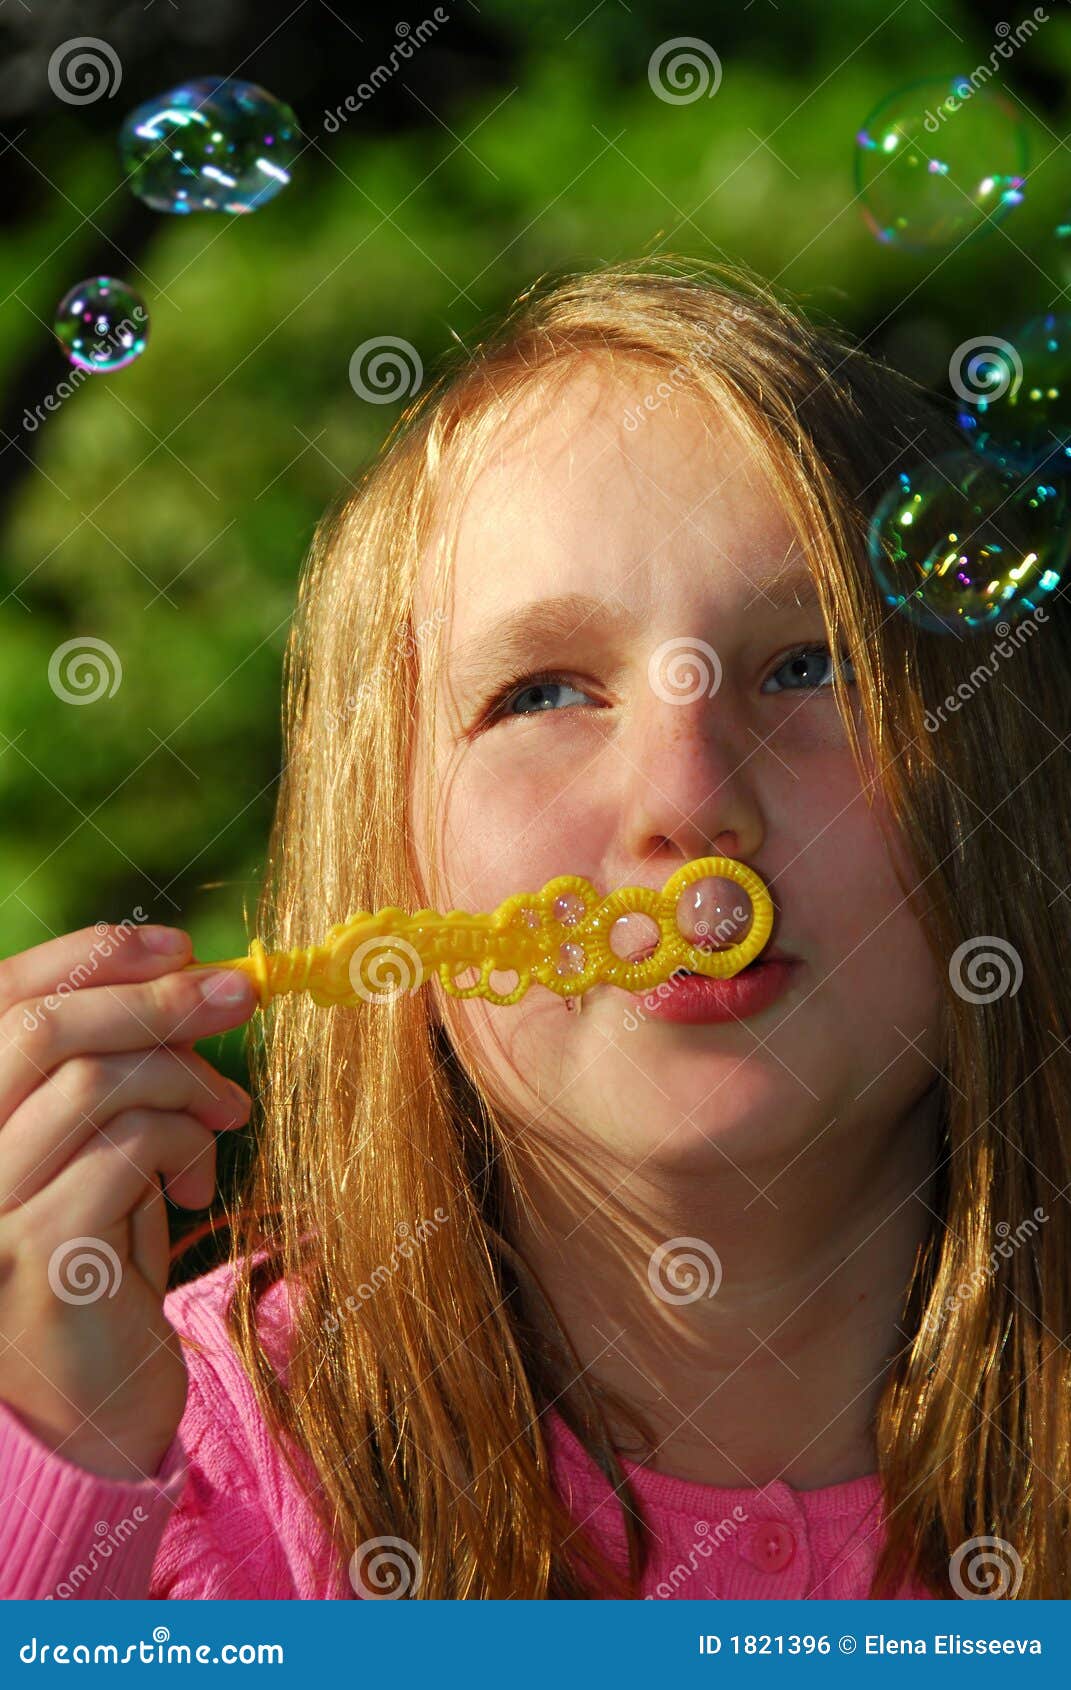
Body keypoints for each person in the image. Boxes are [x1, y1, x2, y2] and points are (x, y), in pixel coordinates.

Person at [1, 256, 1066, 1601]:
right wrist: (62, 1455)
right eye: (545, 691)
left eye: (812, 663)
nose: (688, 800)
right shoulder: (180, 1477)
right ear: (393, 870)